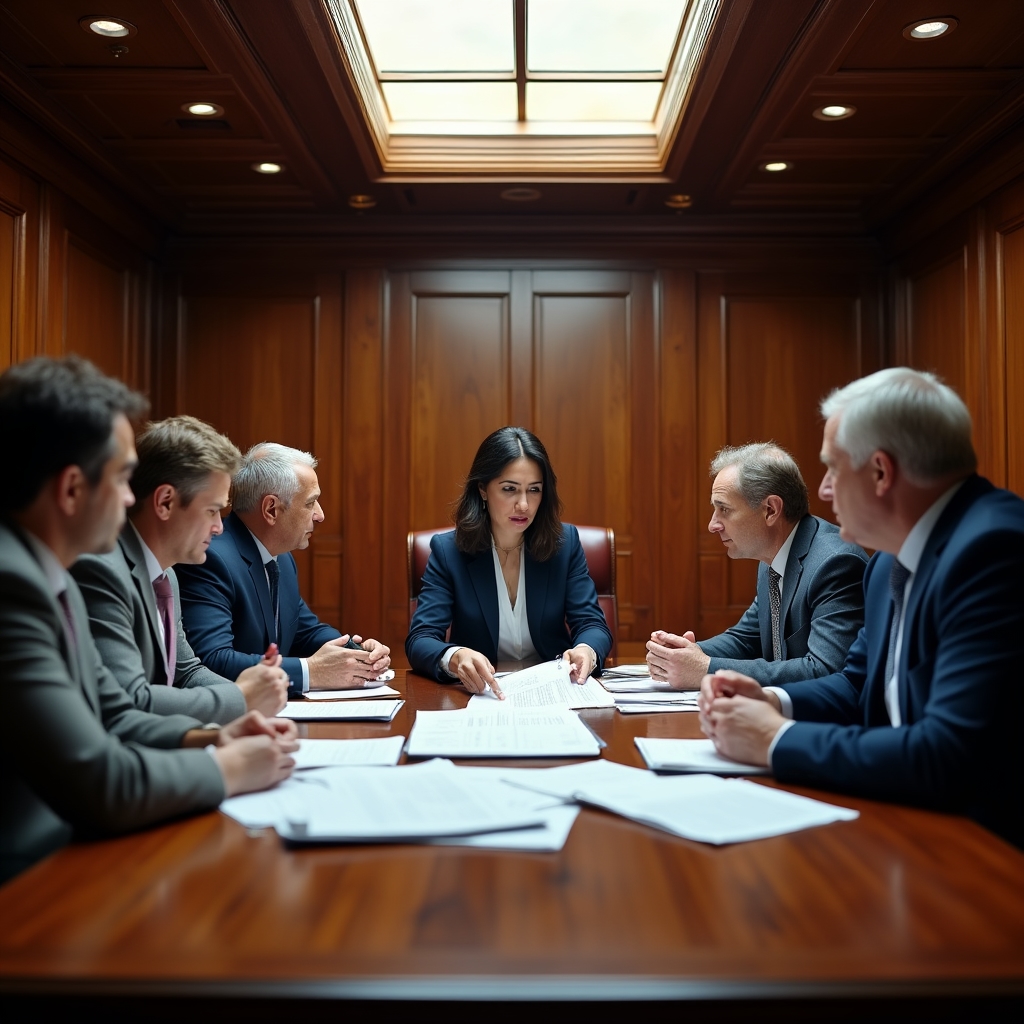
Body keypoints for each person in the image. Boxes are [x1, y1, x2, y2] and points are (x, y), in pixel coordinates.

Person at [0, 356, 297, 883]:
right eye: (120, 478)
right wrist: (226, 768)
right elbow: (98, 780)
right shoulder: (14, 583)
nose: (130, 497)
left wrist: (212, 741)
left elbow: (114, 716)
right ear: (71, 489)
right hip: (30, 874)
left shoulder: (54, 574)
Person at [698, 368, 1024, 847]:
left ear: (880, 472)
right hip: (905, 818)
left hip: (984, 849)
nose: (824, 491)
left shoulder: (993, 551)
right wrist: (772, 702)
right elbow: (856, 685)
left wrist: (775, 739)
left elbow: (947, 755)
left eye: (833, 468)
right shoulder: (887, 557)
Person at [71, 416, 289, 724]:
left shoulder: (167, 574)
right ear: (165, 502)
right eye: (212, 510)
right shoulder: (102, 570)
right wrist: (242, 699)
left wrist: (257, 702)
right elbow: (132, 699)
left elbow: (187, 672)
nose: (218, 528)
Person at [405, 426, 613, 697]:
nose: (524, 505)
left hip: (554, 693)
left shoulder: (565, 544)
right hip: (483, 696)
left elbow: (592, 624)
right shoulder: (449, 552)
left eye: (534, 490)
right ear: (482, 489)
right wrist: (455, 656)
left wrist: (586, 650)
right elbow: (421, 639)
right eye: (509, 489)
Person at [647, 443, 867, 688]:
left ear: (770, 510)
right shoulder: (772, 561)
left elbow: (826, 670)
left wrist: (706, 669)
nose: (712, 525)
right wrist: (683, 653)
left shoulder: (834, 563)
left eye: (724, 509)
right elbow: (746, 639)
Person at [177, 443, 389, 695]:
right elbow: (212, 660)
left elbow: (305, 632)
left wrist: (356, 653)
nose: (320, 515)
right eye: (311, 503)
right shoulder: (211, 559)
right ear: (271, 509)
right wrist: (312, 671)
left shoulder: (282, 558)